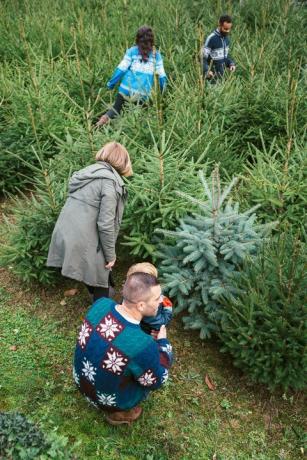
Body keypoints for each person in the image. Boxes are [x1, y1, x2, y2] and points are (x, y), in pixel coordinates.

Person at [73, 272, 173, 425]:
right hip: (107, 400)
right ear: (140, 305)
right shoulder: (143, 345)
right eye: (157, 298)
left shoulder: (101, 304)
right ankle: (119, 412)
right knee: (147, 374)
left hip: (80, 381)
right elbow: (157, 380)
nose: (162, 301)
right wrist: (163, 343)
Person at [46, 141, 132, 301]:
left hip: (65, 231)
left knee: (96, 269)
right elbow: (105, 225)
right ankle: (101, 317)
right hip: (82, 238)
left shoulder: (87, 173)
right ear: (123, 161)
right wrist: (110, 255)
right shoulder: (110, 183)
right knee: (100, 271)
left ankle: (103, 295)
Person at [96, 26, 167, 126]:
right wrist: (162, 93)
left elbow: (121, 69)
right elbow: (162, 77)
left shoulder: (132, 51)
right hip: (144, 94)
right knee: (140, 119)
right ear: (152, 39)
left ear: (138, 38)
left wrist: (110, 84)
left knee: (115, 110)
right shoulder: (156, 55)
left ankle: (98, 125)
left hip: (125, 90)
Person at [126, 262, 173, 336]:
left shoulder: (129, 295)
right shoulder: (150, 309)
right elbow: (160, 323)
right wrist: (168, 308)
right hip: (147, 332)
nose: (160, 299)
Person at [202, 14, 236, 82]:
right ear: (219, 25)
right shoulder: (211, 38)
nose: (228, 31)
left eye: (229, 29)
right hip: (211, 78)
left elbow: (225, 57)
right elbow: (202, 57)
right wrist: (207, 70)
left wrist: (231, 64)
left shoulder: (226, 39)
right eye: (225, 29)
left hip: (222, 78)